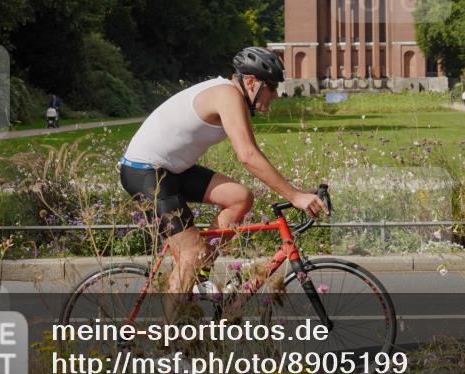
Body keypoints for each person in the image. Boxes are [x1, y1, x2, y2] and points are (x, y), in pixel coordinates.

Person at [119, 47, 328, 319]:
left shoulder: (231, 95)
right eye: (272, 86)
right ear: (251, 82)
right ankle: (168, 348)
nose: (276, 94)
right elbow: (248, 156)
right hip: (144, 171)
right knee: (191, 252)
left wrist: (297, 192)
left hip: (172, 169)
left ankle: (196, 274)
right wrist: (296, 196)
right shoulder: (228, 95)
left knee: (240, 197)